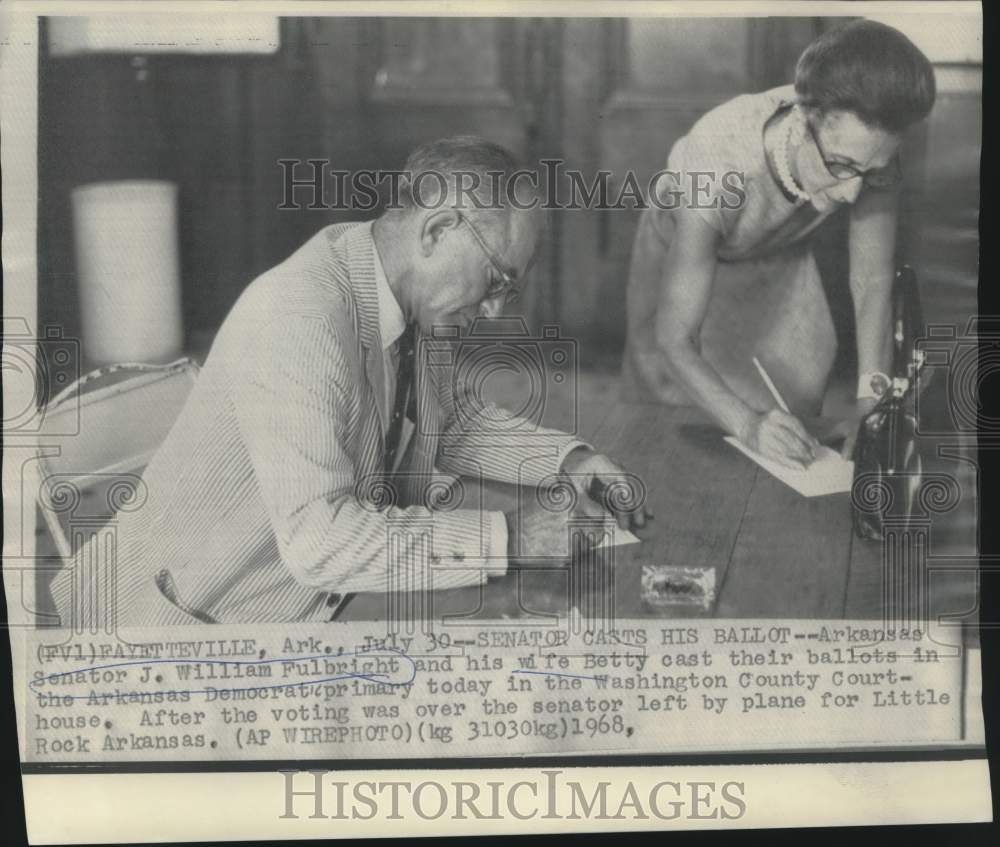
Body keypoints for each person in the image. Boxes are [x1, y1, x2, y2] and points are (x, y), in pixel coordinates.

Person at [51, 136, 649, 628]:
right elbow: (320, 541)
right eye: (496, 280)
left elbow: (453, 421)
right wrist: (510, 537)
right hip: (174, 635)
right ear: (437, 231)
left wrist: (566, 460)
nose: (496, 311)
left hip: (303, 606)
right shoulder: (299, 316)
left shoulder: (406, 297)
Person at [621, 19, 935, 468]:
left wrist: (873, 414)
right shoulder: (719, 162)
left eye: (871, 173)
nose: (852, 194)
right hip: (683, 252)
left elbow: (871, 282)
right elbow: (674, 338)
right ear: (804, 120)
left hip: (779, 252)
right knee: (679, 420)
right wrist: (748, 425)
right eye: (841, 166)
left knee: (792, 412)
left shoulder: (870, 152)